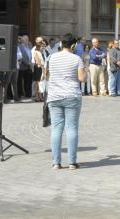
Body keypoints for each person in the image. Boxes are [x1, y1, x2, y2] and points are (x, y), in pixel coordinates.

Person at [44, 34, 85, 170]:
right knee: (72, 128)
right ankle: (72, 162)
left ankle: (56, 162)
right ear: (73, 45)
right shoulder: (76, 58)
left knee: (56, 129)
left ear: (61, 44)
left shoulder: (51, 57)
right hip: (71, 95)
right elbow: (82, 78)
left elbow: (46, 75)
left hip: (54, 96)